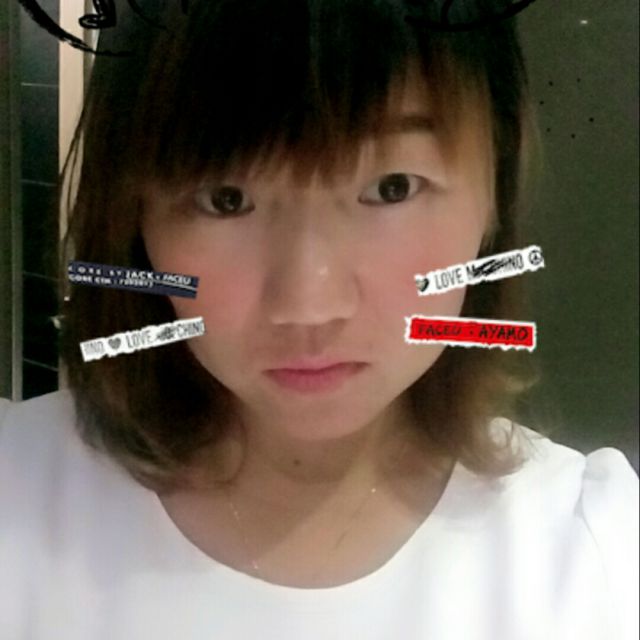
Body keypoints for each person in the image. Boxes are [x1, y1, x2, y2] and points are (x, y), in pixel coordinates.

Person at [1, 1, 637, 638]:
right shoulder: (17, 498)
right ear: (134, 219)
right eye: (226, 199)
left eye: (392, 187)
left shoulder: (596, 560)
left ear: (495, 193)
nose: (309, 304)